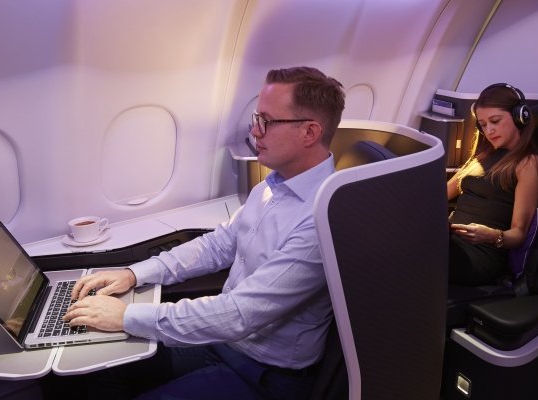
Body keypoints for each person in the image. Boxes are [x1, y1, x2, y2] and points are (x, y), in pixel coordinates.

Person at [63, 66, 345, 400]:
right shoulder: (272, 186)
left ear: (309, 132)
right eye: (256, 117)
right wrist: (132, 275)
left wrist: (126, 316)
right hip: (224, 344)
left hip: (263, 375)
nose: (254, 130)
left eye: (266, 121)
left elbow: (240, 314)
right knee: (95, 369)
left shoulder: (321, 217)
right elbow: (217, 245)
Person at [447, 83, 538, 285]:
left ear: (520, 117)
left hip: (480, 255)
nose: (489, 130)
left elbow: (518, 234)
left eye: (495, 121)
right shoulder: (483, 155)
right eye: (483, 125)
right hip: (452, 243)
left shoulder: (528, 164)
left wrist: (492, 236)